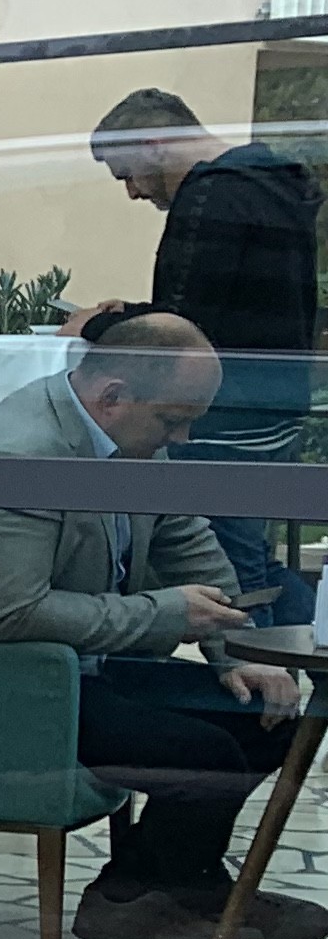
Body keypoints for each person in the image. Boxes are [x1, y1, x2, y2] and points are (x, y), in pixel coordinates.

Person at [0, 307, 323, 939]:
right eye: (173, 420)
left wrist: (237, 652)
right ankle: (166, 894)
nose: (183, 438)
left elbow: (189, 545)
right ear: (113, 396)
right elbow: (12, 615)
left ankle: (148, 890)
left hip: (77, 665)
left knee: (265, 715)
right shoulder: (18, 451)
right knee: (199, 753)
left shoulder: (129, 438)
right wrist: (167, 613)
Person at [93, 85, 324, 622]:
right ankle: (312, 650)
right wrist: (138, 310)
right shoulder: (272, 184)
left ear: (153, 143)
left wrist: (102, 325)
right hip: (276, 406)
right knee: (257, 562)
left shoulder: (209, 195)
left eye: (127, 174)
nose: (132, 192)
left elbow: (184, 328)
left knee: (232, 579)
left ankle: (262, 668)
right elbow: (233, 302)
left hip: (223, 415)